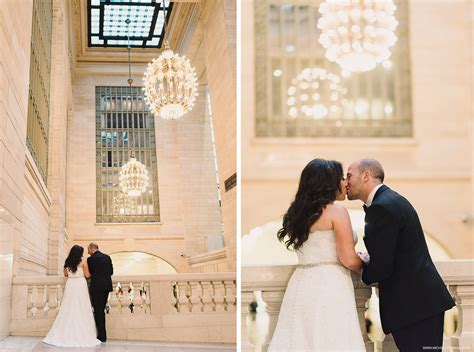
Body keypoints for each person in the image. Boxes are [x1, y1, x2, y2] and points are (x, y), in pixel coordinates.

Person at [346, 158, 455, 351]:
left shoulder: (382, 207)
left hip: (415, 308)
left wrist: (364, 267)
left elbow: (382, 268)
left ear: (365, 176)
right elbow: (394, 251)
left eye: (349, 176)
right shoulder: (390, 200)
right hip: (421, 305)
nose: (346, 182)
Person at [268, 158, 365, 351]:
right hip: (330, 284)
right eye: (341, 178)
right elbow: (348, 259)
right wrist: (364, 260)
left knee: (301, 340)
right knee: (331, 339)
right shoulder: (337, 212)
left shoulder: (299, 214)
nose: (345, 183)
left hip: (301, 284)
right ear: (328, 184)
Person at [43, 245, 101, 347]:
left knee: (68, 307)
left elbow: (65, 274)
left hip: (70, 285)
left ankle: (64, 332)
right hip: (80, 285)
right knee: (81, 307)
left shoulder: (67, 262)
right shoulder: (83, 262)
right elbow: (87, 275)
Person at [87, 242, 114, 342]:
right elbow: (111, 272)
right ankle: (102, 334)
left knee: (98, 311)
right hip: (106, 287)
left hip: (96, 287)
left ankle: (102, 336)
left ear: (91, 248)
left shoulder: (90, 259)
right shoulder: (107, 257)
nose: (87, 251)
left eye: (88, 249)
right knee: (101, 310)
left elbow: (89, 274)